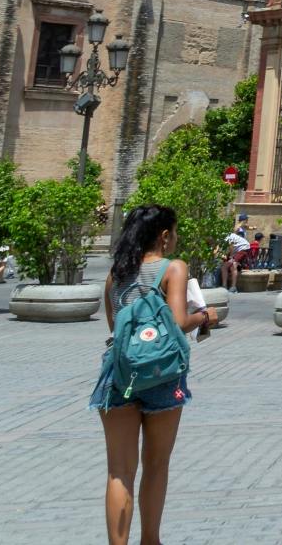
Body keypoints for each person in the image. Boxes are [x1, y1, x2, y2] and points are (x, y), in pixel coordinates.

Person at [92, 204, 212, 545]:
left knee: (119, 470)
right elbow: (177, 323)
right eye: (173, 232)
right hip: (162, 376)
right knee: (156, 464)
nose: (175, 238)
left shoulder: (116, 273)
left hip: (118, 376)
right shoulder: (173, 268)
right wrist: (206, 317)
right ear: (163, 236)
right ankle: (150, 541)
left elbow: (115, 327)